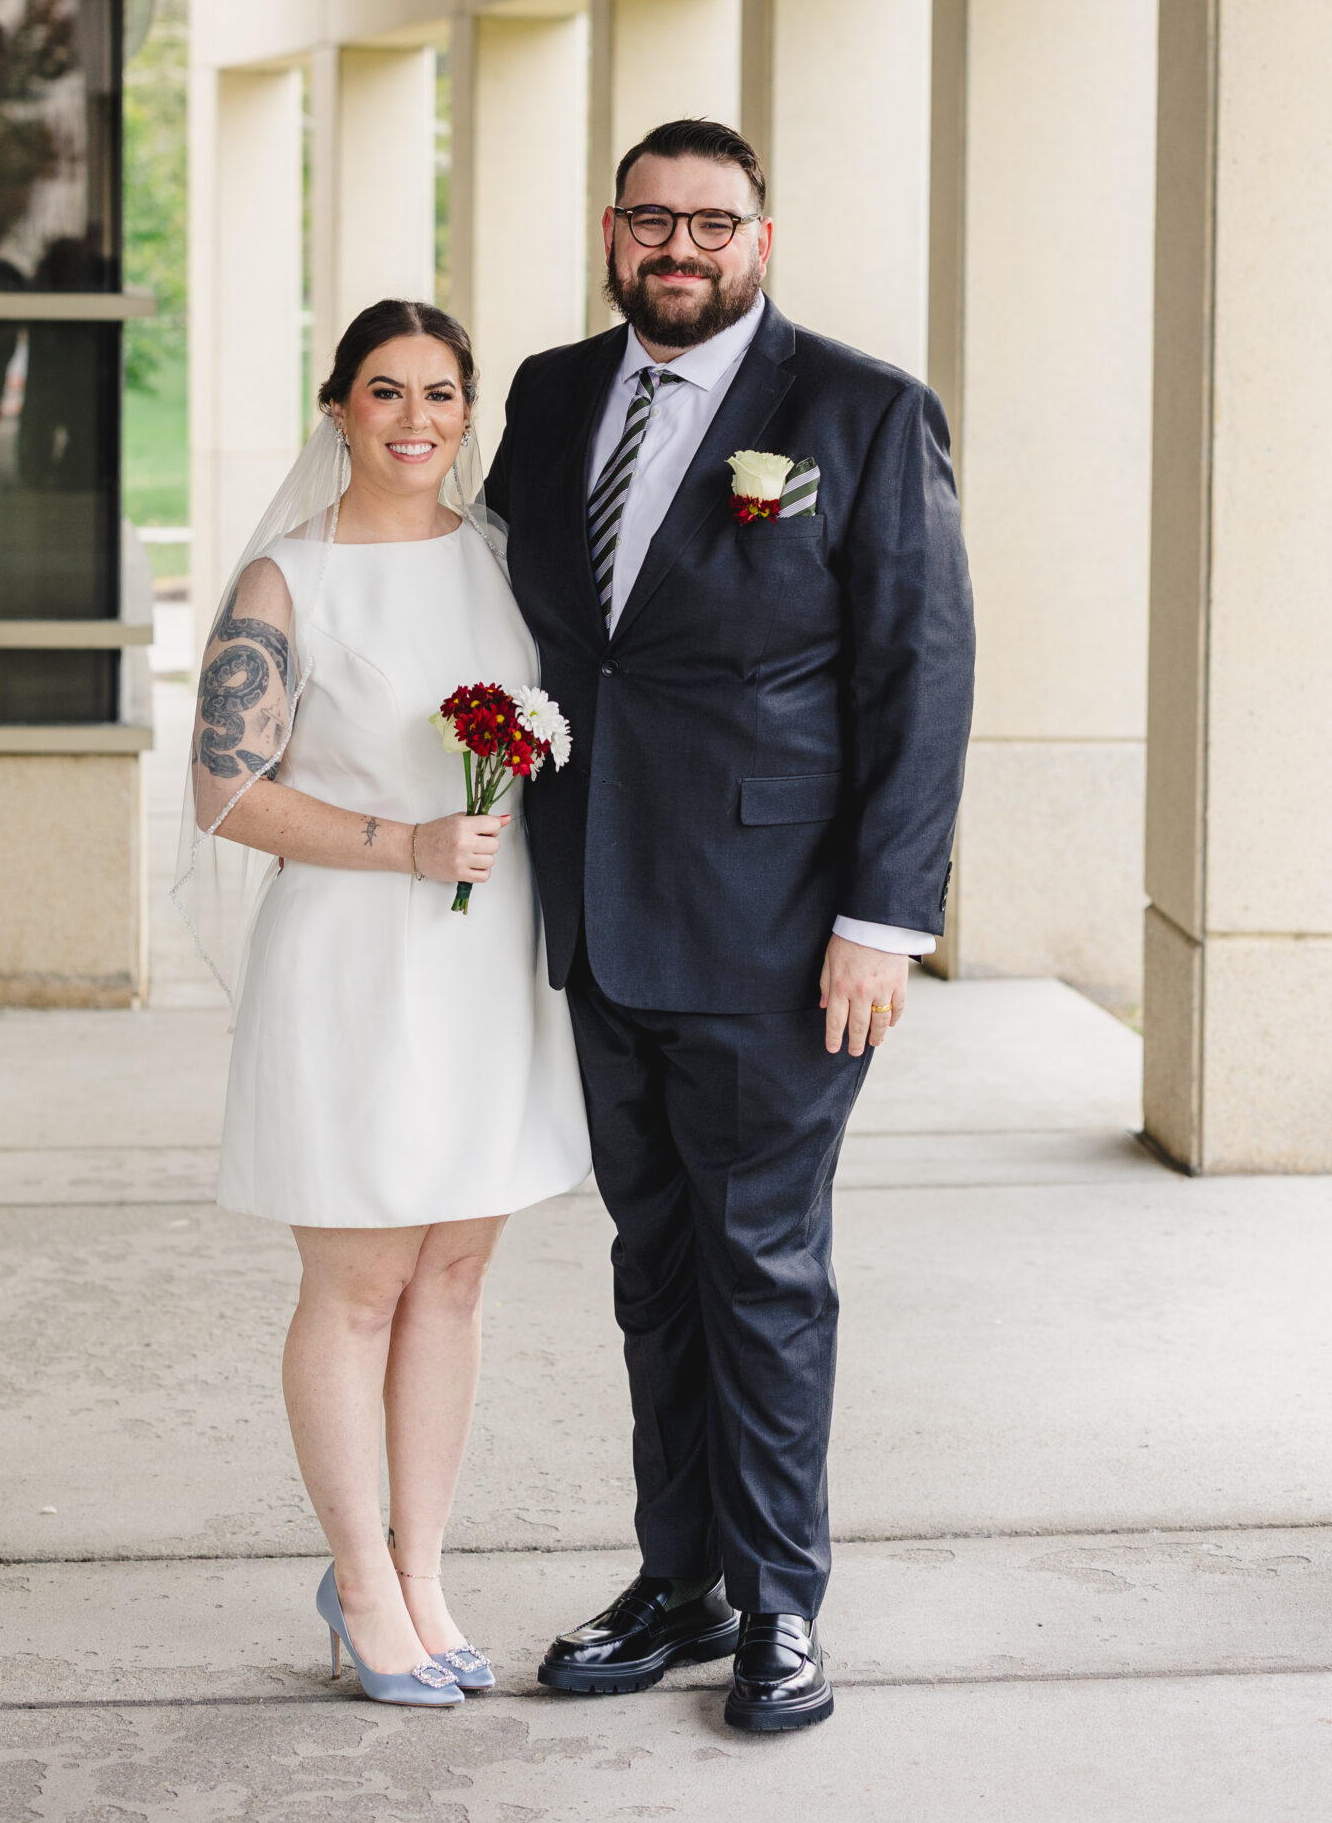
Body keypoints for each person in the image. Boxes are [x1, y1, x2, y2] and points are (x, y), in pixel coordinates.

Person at [486, 118, 975, 1734]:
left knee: (761, 1268)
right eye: (652, 221)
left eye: (712, 222)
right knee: (656, 1265)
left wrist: (883, 921)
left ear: (763, 237)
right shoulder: (552, 395)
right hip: (598, 913)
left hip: (780, 935)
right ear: (610, 232)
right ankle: (679, 1579)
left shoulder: (862, 411)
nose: (679, 248)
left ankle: (780, 1607)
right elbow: (516, 619)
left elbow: (920, 676)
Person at [174, 299, 590, 1710]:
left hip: (486, 956)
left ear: (470, 412)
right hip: (355, 957)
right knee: (358, 1288)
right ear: (339, 409)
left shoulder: (505, 561)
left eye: (442, 393)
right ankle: (359, 1587)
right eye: (387, 391)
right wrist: (404, 844)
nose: (418, 419)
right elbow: (225, 789)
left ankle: (425, 1575)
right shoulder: (288, 580)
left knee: (455, 1279)